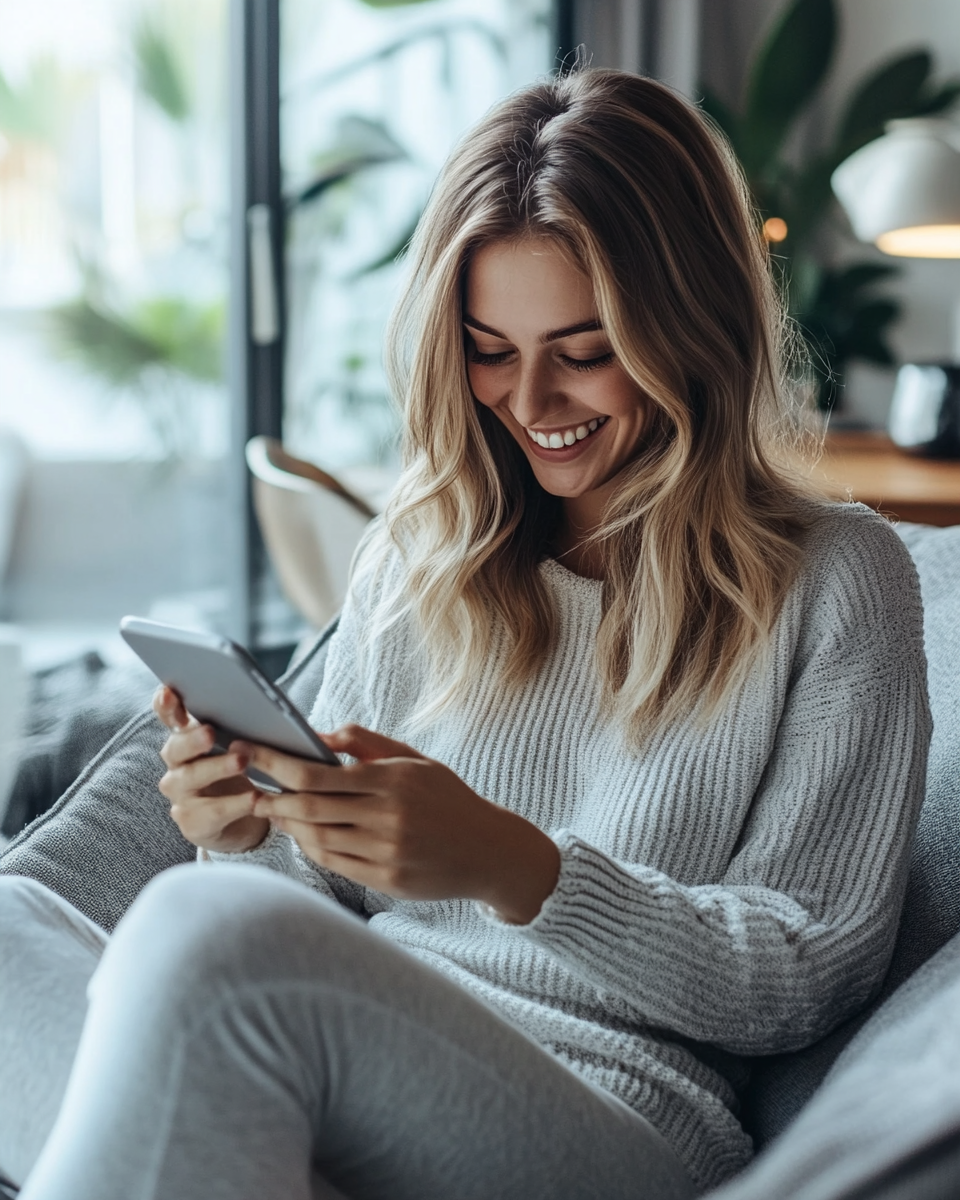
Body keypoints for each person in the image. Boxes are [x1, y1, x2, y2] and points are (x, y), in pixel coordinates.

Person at [0, 68, 931, 1200]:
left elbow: (808, 974)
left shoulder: (840, 581)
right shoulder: (421, 551)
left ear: (694, 326)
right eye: (490, 348)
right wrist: (244, 831)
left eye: (584, 349)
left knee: (214, 942)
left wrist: (518, 867)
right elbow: (304, 911)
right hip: (347, 1074)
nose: (531, 400)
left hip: (604, 1109)